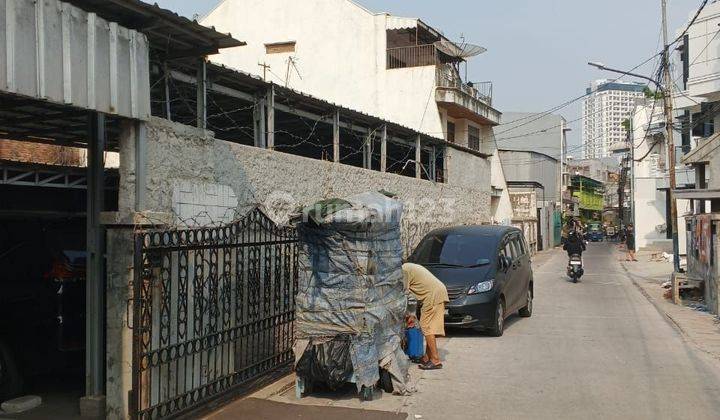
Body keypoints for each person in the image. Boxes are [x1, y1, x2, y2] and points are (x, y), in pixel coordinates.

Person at [402, 262, 449, 370]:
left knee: (427, 327)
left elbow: (404, 294)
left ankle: (435, 360)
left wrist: (409, 315)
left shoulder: (403, 270)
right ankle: (427, 358)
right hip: (438, 292)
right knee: (429, 327)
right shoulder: (409, 266)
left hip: (432, 296)